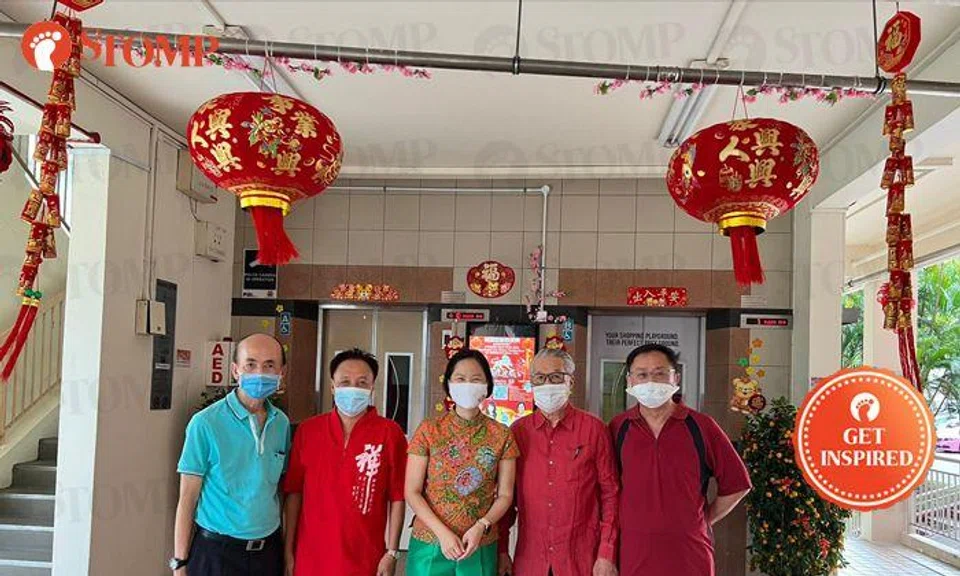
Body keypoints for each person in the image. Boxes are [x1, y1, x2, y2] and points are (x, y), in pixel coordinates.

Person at [610, 344, 752, 576]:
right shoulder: (618, 428)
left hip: (690, 555)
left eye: (659, 373)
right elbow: (607, 491)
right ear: (630, 381)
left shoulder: (701, 426)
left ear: (675, 377)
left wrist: (703, 520)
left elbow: (737, 484)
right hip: (632, 554)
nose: (650, 381)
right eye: (642, 374)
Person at [172, 333, 291, 576]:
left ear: (281, 373)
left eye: (269, 365)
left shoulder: (281, 424)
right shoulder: (205, 423)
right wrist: (180, 563)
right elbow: (187, 498)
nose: (260, 372)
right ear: (236, 370)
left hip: (268, 553)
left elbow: (279, 488)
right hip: (217, 553)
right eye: (251, 364)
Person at [283, 348, 407, 576]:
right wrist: (288, 550)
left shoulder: (390, 433)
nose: (353, 388)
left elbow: (397, 497)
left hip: (365, 558)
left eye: (362, 382)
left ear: (372, 387)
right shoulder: (308, 431)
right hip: (311, 557)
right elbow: (294, 493)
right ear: (332, 386)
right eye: (345, 382)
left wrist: (391, 552)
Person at [499, 348, 619, 576]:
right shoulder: (518, 432)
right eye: (540, 378)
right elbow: (507, 498)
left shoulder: (594, 430)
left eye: (555, 377)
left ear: (571, 382)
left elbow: (610, 495)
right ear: (531, 383)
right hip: (531, 560)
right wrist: (502, 549)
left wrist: (607, 552)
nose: (547, 384)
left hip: (582, 559)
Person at [405, 349, 519, 576]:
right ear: (448, 385)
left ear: (487, 386)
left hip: (479, 543)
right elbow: (412, 491)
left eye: (476, 379)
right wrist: (442, 533)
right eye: (460, 379)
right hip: (430, 542)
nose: (468, 384)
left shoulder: (502, 435)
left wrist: (482, 525)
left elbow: (505, 495)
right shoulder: (428, 430)